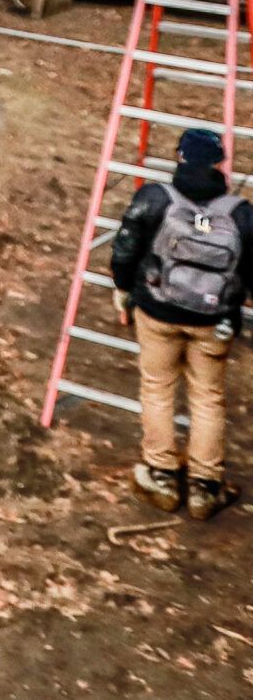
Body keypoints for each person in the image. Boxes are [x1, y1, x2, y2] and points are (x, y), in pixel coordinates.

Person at [111, 127, 250, 521]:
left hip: (158, 312)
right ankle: (206, 486)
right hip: (214, 322)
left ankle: (162, 475)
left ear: (180, 156)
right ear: (220, 164)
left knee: (157, 389)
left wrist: (123, 287)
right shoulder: (241, 214)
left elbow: (125, 249)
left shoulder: (155, 199)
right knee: (208, 397)